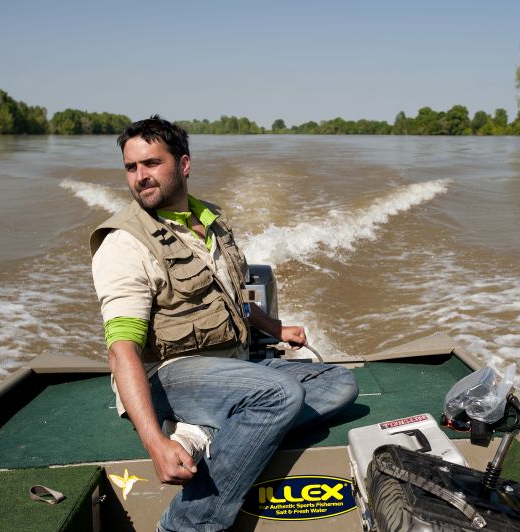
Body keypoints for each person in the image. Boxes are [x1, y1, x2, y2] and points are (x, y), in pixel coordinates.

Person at [90, 115, 358, 531]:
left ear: (184, 164)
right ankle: (187, 523)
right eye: (131, 167)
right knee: (279, 395)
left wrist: (274, 327)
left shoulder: (211, 222)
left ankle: (213, 433)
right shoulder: (125, 244)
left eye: (152, 164)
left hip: (236, 366)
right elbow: (121, 349)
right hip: (171, 373)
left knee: (340, 384)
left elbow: (229, 298)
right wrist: (155, 442)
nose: (140, 177)